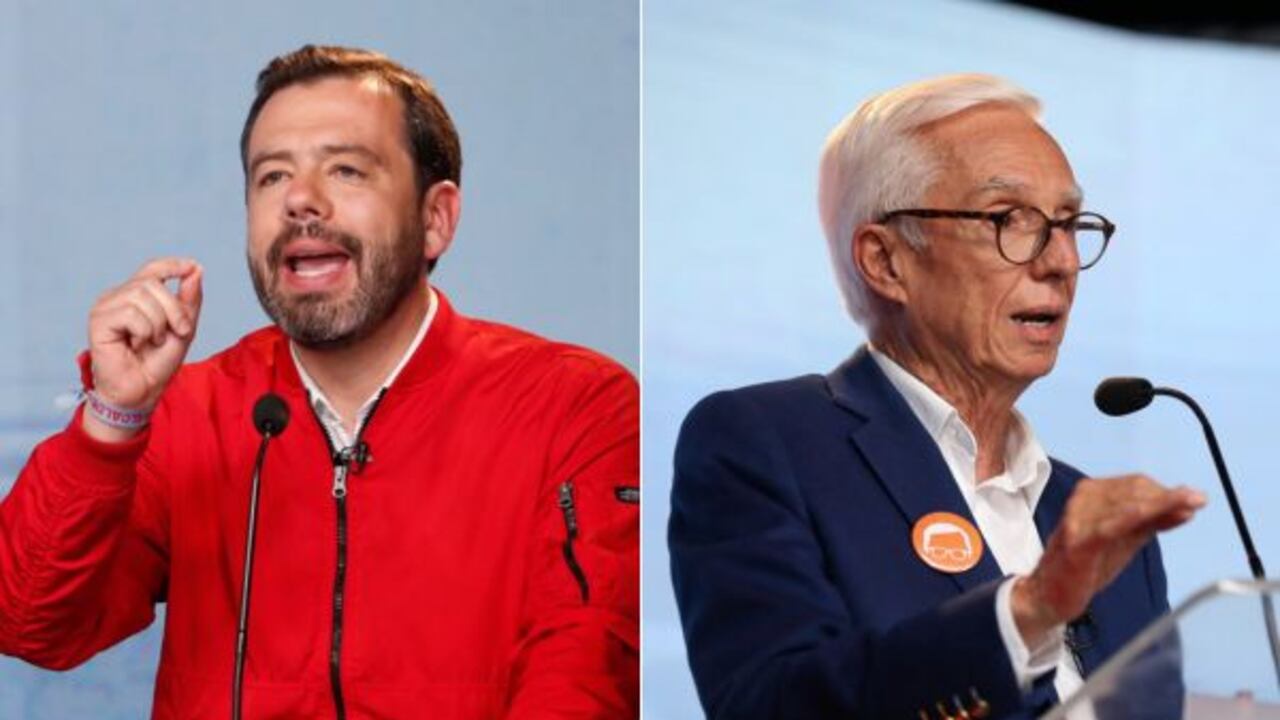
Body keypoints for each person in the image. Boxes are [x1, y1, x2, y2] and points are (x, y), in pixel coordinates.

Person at [0, 45, 638, 719]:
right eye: (272, 177)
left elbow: (585, 677)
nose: (302, 200)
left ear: (435, 218)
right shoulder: (188, 412)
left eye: (346, 170)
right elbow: (30, 624)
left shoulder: (573, 406)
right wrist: (111, 421)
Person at [668, 74, 1201, 719]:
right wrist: (1027, 612)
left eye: (1067, 222)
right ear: (886, 261)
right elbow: (776, 706)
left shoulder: (1100, 525)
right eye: (1010, 219)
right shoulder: (766, 444)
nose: (1059, 259)